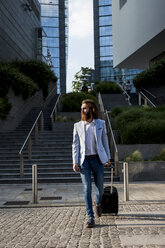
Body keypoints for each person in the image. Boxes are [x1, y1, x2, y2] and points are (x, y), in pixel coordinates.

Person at [72, 99, 111, 228]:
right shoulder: (77, 126)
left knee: (100, 189)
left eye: (85, 108)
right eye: (82, 108)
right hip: (84, 161)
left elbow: (105, 141)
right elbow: (75, 145)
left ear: (92, 109)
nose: (83, 110)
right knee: (87, 188)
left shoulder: (100, 123)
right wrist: (75, 161)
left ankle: (98, 203)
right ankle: (90, 217)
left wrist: (107, 158)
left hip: (98, 159)